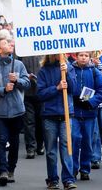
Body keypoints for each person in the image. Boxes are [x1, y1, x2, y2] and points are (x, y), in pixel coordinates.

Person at [0, 38, 31, 186]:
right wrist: (3, 90)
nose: (9, 44)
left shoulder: (18, 64)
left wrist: (17, 81)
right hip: (0, 112)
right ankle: (3, 171)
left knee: (14, 142)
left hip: (17, 111)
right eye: (5, 43)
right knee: (1, 141)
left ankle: (11, 169)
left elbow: (27, 83)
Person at [37, 54, 77, 190]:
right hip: (50, 114)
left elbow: (74, 89)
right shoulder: (43, 71)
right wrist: (56, 88)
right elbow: (40, 94)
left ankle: (68, 179)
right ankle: (53, 180)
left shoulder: (69, 67)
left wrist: (66, 73)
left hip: (66, 114)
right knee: (51, 150)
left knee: (67, 148)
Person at [70, 50, 102, 181]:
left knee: (87, 142)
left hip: (89, 113)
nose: (83, 58)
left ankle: (85, 169)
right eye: (81, 55)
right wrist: (73, 98)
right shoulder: (70, 70)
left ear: (89, 58)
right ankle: (72, 169)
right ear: (76, 56)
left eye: (86, 56)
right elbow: (67, 88)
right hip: (74, 113)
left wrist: (90, 102)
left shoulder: (94, 72)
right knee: (73, 140)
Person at [20, 52, 45, 158]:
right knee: (29, 121)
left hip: (42, 92)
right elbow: (16, 70)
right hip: (27, 93)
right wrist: (25, 77)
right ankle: (30, 147)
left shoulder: (43, 52)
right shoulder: (21, 52)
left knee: (41, 121)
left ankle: (40, 145)